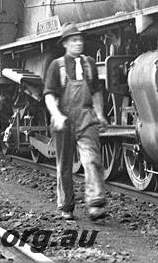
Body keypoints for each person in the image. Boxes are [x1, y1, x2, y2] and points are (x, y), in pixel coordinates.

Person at [43, 23, 108, 221]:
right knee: (64, 165)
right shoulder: (57, 66)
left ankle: (95, 204)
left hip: (86, 117)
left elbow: (96, 91)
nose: (78, 43)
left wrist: (100, 114)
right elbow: (49, 95)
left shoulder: (89, 64)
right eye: (74, 40)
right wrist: (57, 115)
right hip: (64, 119)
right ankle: (66, 206)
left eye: (80, 40)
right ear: (65, 44)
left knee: (92, 159)